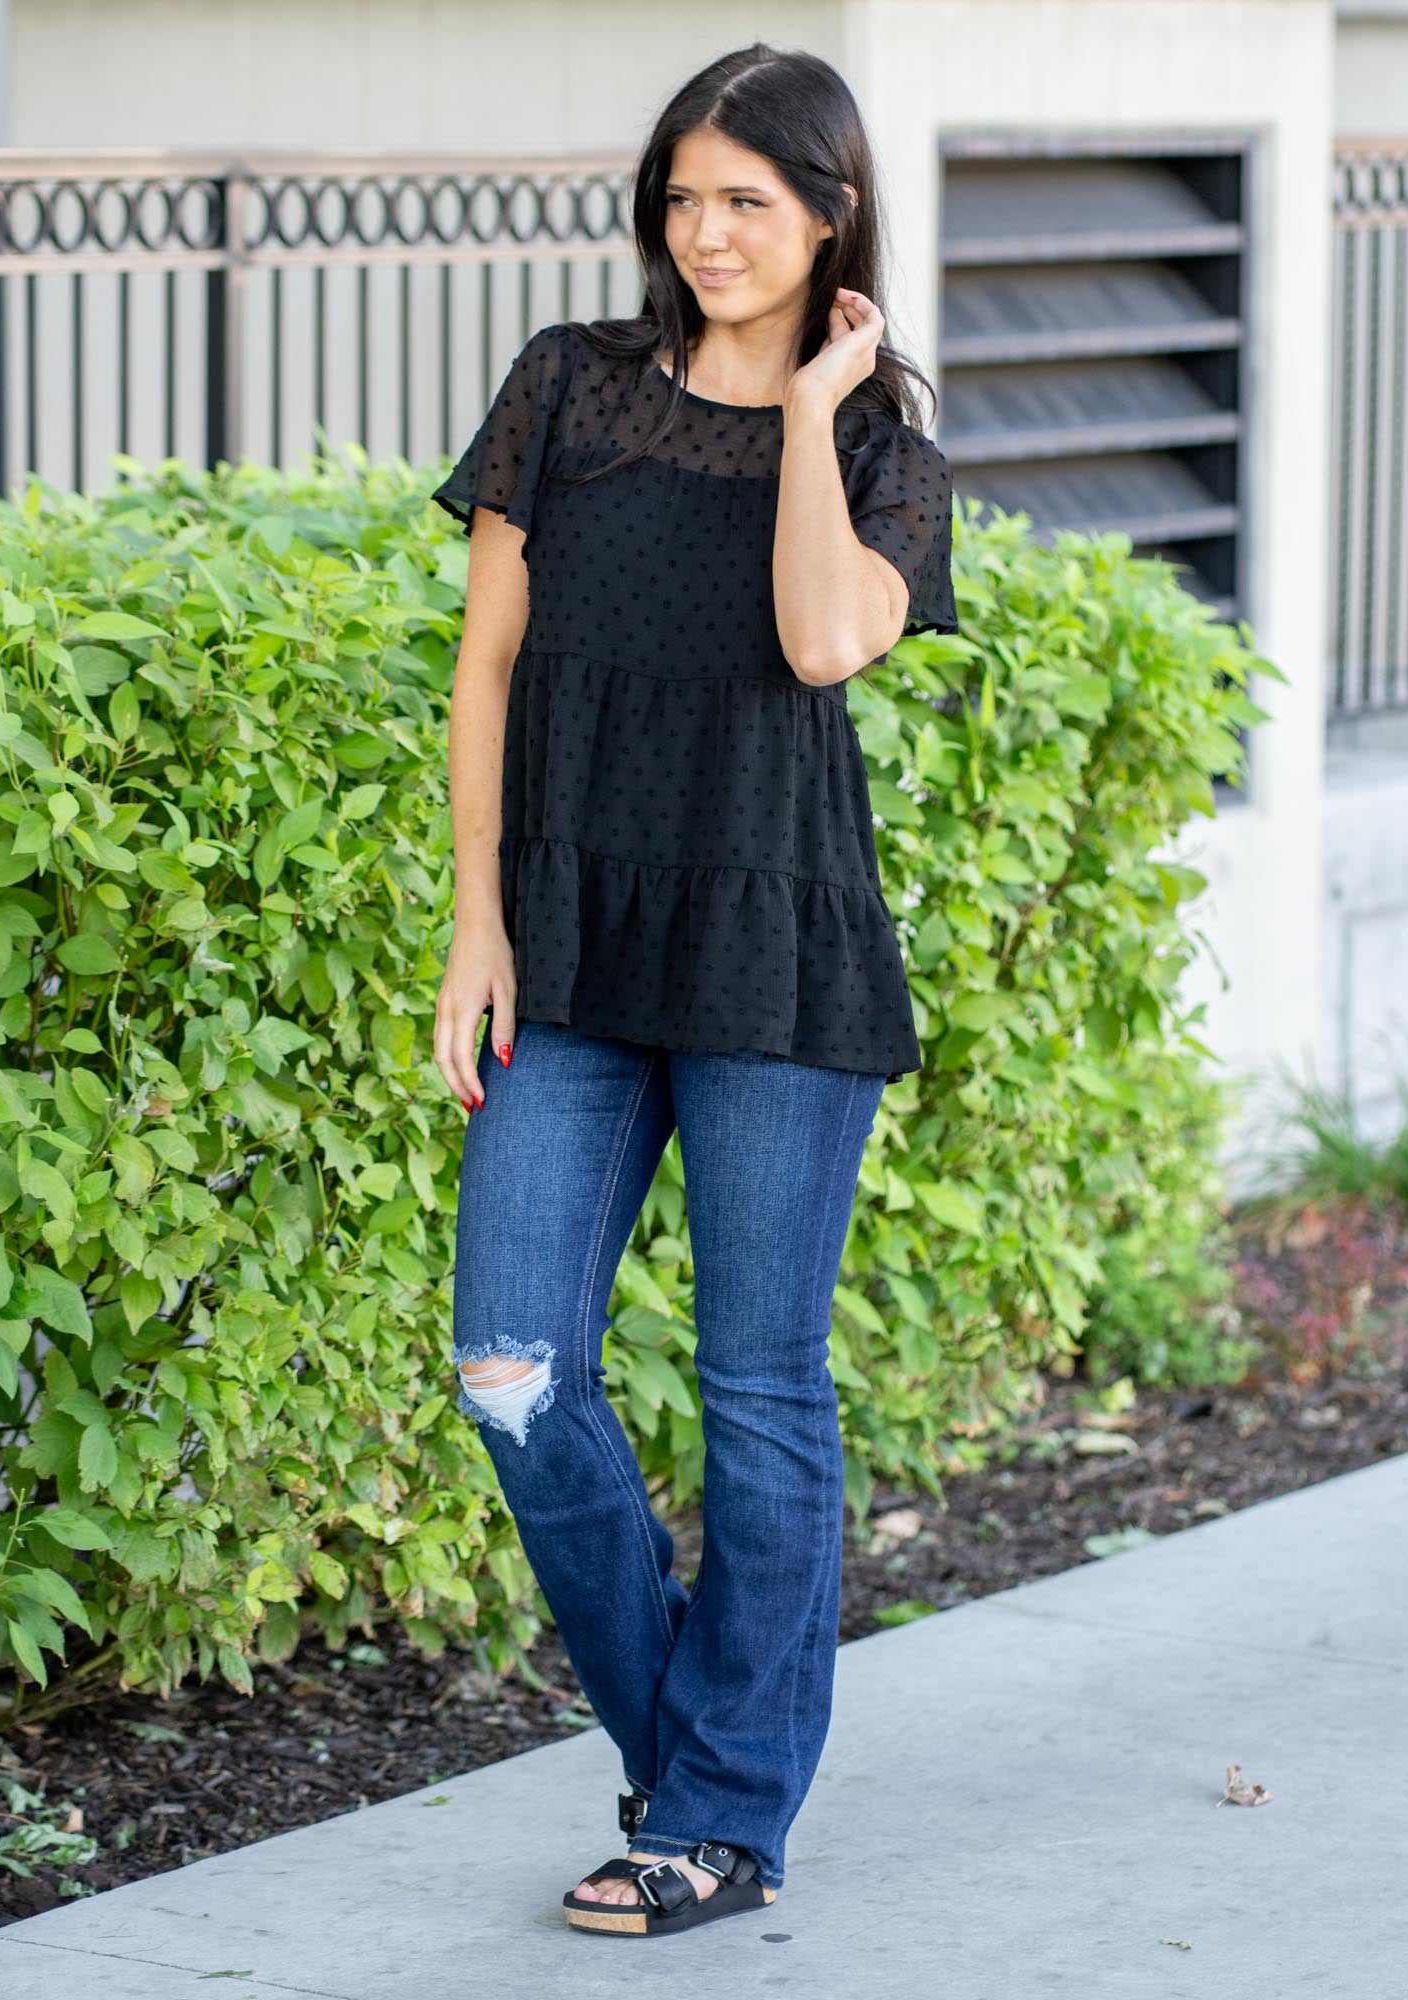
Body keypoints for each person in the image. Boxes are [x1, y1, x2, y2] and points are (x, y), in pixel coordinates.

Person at [429, 39, 958, 1940]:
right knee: (509, 1366)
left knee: (758, 1388)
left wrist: (810, 407)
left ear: (831, 214)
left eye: (748, 199)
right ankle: (700, 1766)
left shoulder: (884, 446)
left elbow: (820, 641)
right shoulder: (570, 385)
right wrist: (477, 923)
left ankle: (715, 1817)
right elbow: (489, 667)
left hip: (773, 951)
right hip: (569, 944)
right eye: (683, 197)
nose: (707, 233)